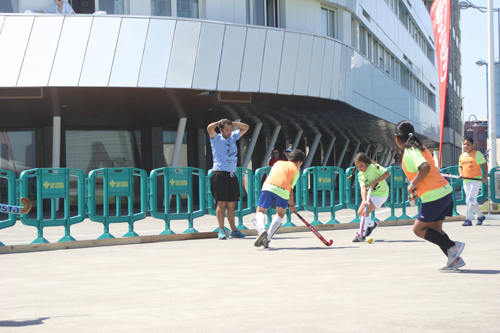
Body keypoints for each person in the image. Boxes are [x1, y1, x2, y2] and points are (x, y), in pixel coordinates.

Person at [394, 120, 465, 271]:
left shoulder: (410, 151)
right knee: (435, 229)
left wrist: (411, 185)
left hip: (435, 195)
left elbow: (424, 168)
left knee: (418, 229)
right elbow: (427, 174)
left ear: (397, 138)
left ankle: (454, 246)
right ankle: (455, 260)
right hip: (444, 192)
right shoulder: (421, 148)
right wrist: (416, 192)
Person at [253, 149, 305, 248]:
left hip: (268, 186)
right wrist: (291, 205)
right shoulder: (296, 171)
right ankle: (267, 239)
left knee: (260, 210)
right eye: (300, 164)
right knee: (280, 214)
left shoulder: (278, 163)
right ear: (298, 162)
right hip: (283, 190)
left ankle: (261, 229)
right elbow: (290, 189)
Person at [207, 118, 249, 240]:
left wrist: (233, 123)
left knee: (232, 204)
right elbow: (209, 127)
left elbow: (246, 127)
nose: (229, 132)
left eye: (231, 130)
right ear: (221, 130)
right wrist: (219, 121)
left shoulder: (233, 137)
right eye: (227, 130)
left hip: (231, 174)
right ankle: (221, 230)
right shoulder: (216, 138)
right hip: (219, 174)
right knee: (221, 203)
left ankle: (234, 230)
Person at [347, 152, 390, 242]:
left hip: (381, 194)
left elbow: (386, 174)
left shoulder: (373, 167)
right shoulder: (360, 175)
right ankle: (371, 224)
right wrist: (364, 200)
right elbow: (363, 188)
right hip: (371, 194)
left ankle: (361, 235)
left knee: (364, 213)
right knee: (360, 212)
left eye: (361, 166)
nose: (359, 168)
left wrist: (375, 181)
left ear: (366, 163)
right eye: (357, 166)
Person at [459, 137, 488, 226]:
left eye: (468, 144)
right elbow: (460, 166)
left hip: (475, 180)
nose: (466, 146)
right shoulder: (462, 156)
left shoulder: (477, 154)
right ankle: (480, 216)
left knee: (469, 200)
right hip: (466, 181)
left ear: (473, 145)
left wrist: (485, 176)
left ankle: (468, 219)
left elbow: (484, 164)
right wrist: (461, 174)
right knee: (471, 200)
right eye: (464, 144)